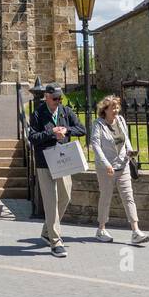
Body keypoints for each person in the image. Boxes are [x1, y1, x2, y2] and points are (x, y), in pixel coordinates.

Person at [28, 83, 86, 257]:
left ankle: (47, 231)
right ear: (46, 97)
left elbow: (81, 129)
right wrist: (51, 133)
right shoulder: (38, 114)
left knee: (65, 196)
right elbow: (32, 137)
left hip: (62, 161)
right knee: (50, 201)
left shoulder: (65, 111)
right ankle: (55, 241)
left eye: (60, 98)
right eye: (55, 99)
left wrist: (66, 130)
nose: (58, 101)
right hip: (44, 162)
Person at [90, 95, 149, 246]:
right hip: (106, 168)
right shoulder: (98, 124)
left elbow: (126, 139)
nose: (116, 111)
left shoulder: (121, 121)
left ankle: (136, 231)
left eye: (117, 107)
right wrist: (106, 164)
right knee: (106, 197)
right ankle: (101, 229)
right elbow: (96, 146)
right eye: (113, 108)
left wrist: (130, 151)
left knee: (128, 197)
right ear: (105, 110)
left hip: (122, 165)